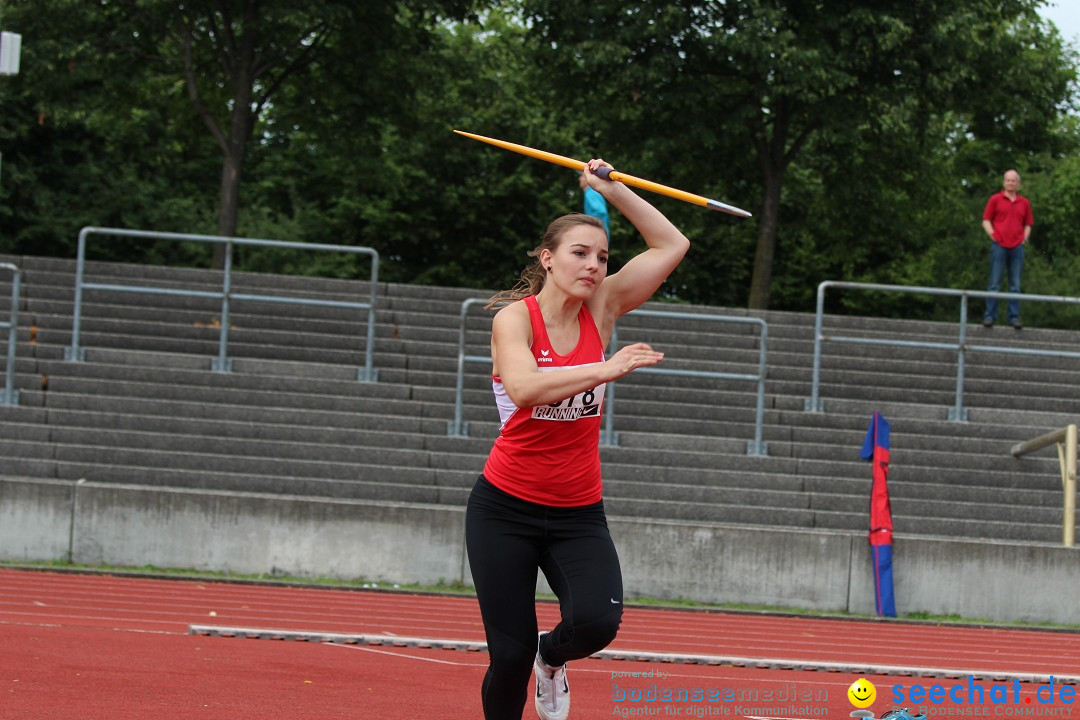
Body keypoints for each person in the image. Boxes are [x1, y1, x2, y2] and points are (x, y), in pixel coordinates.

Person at [466, 158, 690, 720]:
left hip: (576, 511)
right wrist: (603, 370)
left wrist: (610, 188)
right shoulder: (513, 320)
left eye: (603, 257)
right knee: (507, 657)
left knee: (597, 623)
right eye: (579, 252)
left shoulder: (604, 307)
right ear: (547, 257)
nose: (593, 265)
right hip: (504, 509)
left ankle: (553, 657)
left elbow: (672, 244)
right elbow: (522, 388)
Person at [981, 169, 1033, 329]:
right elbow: (986, 220)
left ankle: (1014, 317)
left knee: (1015, 284)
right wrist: (993, 235)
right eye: (1008, 180)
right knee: (994, 283)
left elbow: (1028, 223)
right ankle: (989, 316)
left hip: (1017, 247)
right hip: (999, 246)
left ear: (1018, 183)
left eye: (1013, 181)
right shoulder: (995, 199)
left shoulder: (1024, 202)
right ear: (1004, 182)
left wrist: (1024, 238)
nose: (1011, 183)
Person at [578, 170, 610, 237]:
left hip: (597, 233)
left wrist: (587, 225)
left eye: (582, 176)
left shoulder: (590, 193)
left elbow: (600, 212)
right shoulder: (594, 191)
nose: (579, 179)